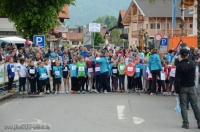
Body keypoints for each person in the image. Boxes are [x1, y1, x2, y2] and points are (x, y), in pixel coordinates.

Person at [174, 48, 200, 129]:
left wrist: (176, 90)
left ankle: (186, 123)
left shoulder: (179, 66)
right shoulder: (192, 63)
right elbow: (195, 76)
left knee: (184, 105)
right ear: (188, 55)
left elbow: (177, 79)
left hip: (183, 87)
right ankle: (199, 122)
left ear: (180, 55)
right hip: (191, 86)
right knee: (195, 105)